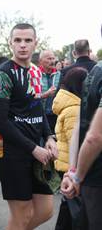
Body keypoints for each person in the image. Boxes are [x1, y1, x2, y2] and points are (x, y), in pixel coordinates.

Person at [0, 23, 58, 230]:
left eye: (28, 40)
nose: (22, 45)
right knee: (21, 214)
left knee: (46, 210)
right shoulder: (3, 74)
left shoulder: (36, 72)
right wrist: (33, 148)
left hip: (37, 150)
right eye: (17, 40)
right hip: (11, 152)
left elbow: (37, 108)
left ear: (35, 43)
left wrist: (49, 137)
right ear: (10, 43)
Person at [61, 61, 102, 230]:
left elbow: (80, 124)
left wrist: (73, 171)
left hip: (90, 177)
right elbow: (94, 136)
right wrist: (77, 176)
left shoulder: (94, 71)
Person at [53, 67, 87, 230]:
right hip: (70, 167)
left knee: (67, 208)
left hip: (64, 163)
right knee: (76, 212)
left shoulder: (67, 104)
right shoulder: (75, 108)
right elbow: (77, 141)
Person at [39, 50, 59, 132]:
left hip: (56, 116)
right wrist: (45, 94)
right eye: (49, 59)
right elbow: (29, 97)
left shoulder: (60, 75)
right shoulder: (35, 75)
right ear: (41, 61)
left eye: (53, 58)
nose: (52, 61)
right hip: (40, 115)